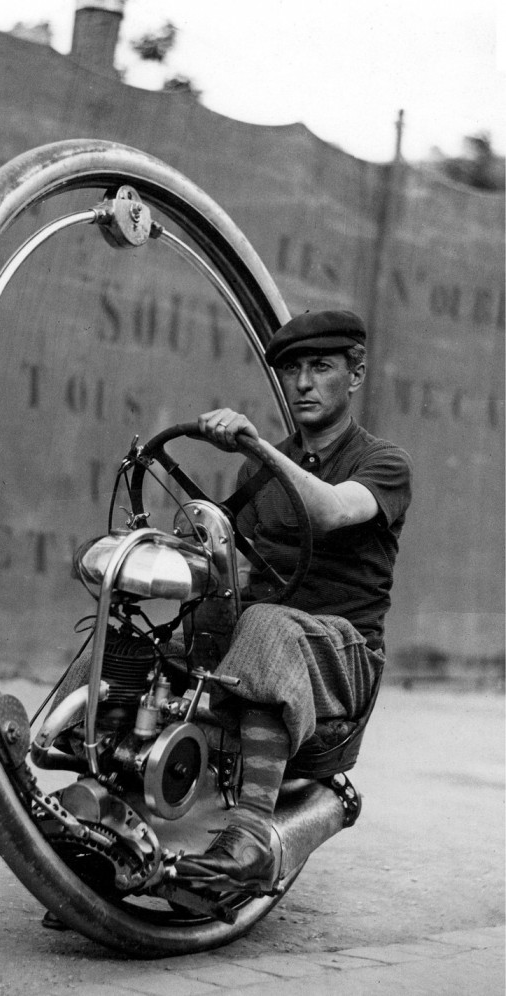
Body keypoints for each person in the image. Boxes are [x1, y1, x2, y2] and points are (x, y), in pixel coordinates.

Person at [175, 309, 412, 894]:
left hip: (343, 657)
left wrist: (259, 448)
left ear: (356, 375)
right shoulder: (259, 473)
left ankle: (251, 836)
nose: (303, 383)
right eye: (291, 370)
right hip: (272, 641)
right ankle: (91, 801)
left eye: (321, 367)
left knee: (265, 623)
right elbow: (226, 565)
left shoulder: (383, 462)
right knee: (151, 634)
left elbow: (331, 509)